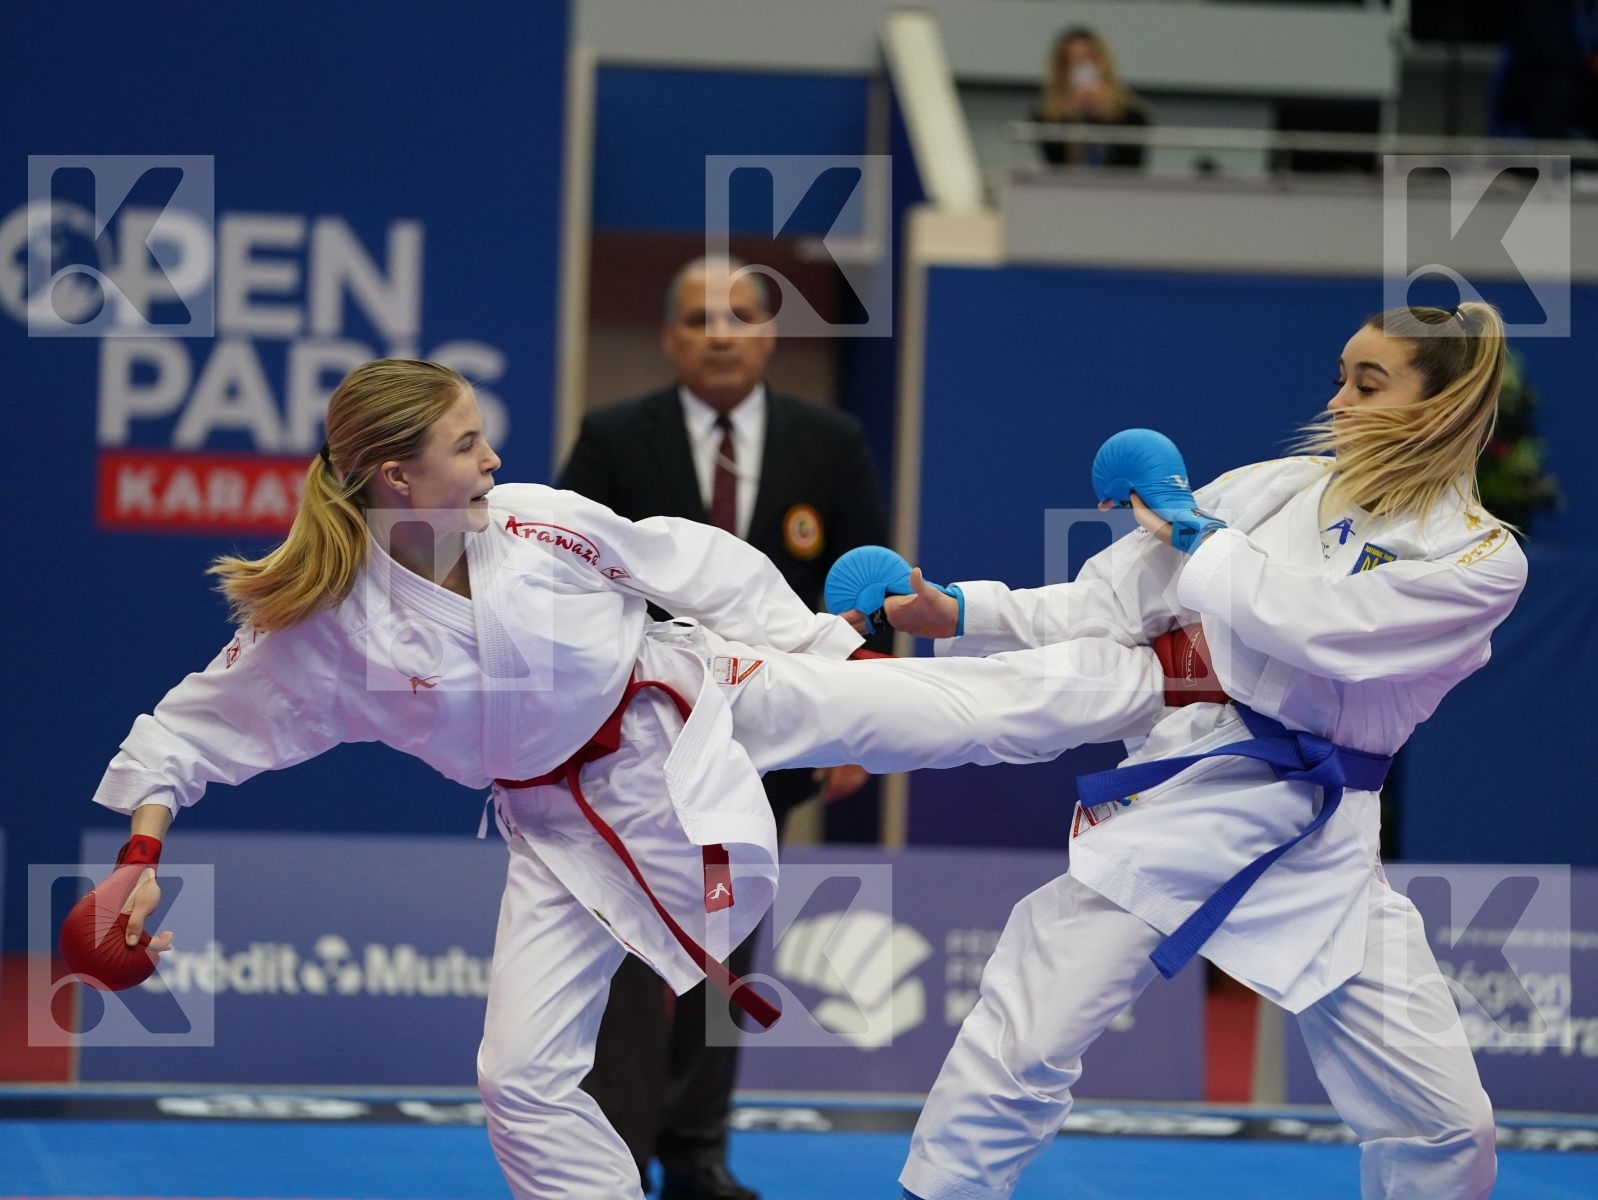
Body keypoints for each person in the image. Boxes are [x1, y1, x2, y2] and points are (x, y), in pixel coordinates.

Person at [88, 358, 1173, 1200]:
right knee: (516, 1077)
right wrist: (140, 856)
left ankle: (1166, 681)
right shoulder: (330, 627)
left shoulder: (540, 525)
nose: (492, 458)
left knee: (944, 714)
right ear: (396, 476)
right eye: (465, 444)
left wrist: (821, 648)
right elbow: (192, 729)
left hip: (693, 701)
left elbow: (699, 568)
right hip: (558, 826)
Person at [872, 303, 1525, 1200]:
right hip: (1197, 789)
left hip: (1325, 838)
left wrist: (1201, 539)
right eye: (1339, 377)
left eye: (1368, 385)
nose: (1337, 403)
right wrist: (962, 610)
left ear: (1440, 408)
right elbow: (1110, 601)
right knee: (1032, 1026)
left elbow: (1324, 628)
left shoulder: (1480, 559)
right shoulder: (1273, 490)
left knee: (1448, 1123)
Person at [557, 255, 890, 1200]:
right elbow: (564, 577)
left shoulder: (829, 442)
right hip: (634, 735)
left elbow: (866, 582)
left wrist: (857, 722)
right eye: (699, 317)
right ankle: (618, 1156)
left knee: (728, 938)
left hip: (767, 734)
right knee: (633, 941)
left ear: (769, 335)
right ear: (670, 338)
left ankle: (697, 1150)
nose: (719, 334)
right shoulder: (615, 437)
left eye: (739, 316)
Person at [1033, 26, 1151, 169]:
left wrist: (1103, 114)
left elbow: (1132, 167)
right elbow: (1055, 166)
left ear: (1104, 64)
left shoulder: (1133, 114)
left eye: (1089, 61)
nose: (1082, 71)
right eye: (1072, 63)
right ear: (1060, 70)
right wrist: (1073, 117)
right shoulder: (1046, 117)